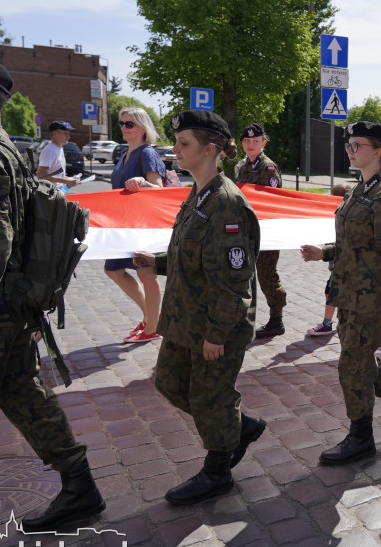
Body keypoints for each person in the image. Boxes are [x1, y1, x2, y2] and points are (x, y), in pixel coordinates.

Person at [0, 53, 104, 530]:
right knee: (24, 394)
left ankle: (80, 485)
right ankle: (79, 485)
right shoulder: (9, 147)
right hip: (13, 304)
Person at [133, 110, 266, 505]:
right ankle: (238, 427)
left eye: (183, 144)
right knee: (169, 382)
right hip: (184, 320)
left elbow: (234, 280)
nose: (174, 150)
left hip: (214, 326)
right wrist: (155, 262)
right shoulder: (198, 194)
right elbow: (192, 255)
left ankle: (217, 470)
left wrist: (217, 333)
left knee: (210, 399)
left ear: (210, 150)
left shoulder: (226, 204)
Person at [300, 121, 381, 465]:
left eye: (357, 145)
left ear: (379, 152)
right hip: (350, 294)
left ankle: (361, 437)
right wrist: (324, 252)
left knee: (351, 364)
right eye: (349, 144)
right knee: (360, 360)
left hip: (373, 298)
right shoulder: (361, 189)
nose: (350, 150)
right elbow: (355, 243)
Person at [106, 107, 167, 343]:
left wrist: (142, 181)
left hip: (142, 224)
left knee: (146, 272)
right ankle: (151, 317)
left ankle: (152, 328)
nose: (123, 127)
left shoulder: (147, 153)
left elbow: (159, 189)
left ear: (142, 128)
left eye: (129, 124)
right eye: (121, 123)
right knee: (113, 270)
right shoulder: (125, 154)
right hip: (123, 224)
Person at [234, 123, 288, 339]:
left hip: (265, 229)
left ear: (263, 143)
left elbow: (271, 200)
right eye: (247, 141)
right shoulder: (241, 165)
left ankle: (277, 319)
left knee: (267, 275)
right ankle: (244, 318)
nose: (251, 144)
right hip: (246, 228)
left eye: (255, 141)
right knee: (243, 273)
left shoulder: (269, 167)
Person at [307, 183, 349, 336]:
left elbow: (340, 243)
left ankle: (327, 323)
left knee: (331, 292)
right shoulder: (338, 216)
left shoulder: (344, 217)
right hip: (338, 263)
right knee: (332, 292)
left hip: (344, 263)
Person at [37, 120, 81, 189]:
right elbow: (41, 175)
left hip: (57, 192)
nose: (69, 137)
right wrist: (65, 180)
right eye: (65, 133)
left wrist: (69, 179)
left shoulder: (59, 148)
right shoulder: (50, 150)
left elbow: (56, 174)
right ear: (54, 133)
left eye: (69, 134)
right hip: (49, 194)